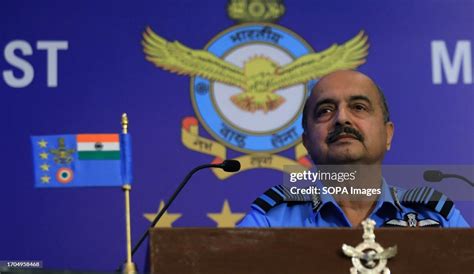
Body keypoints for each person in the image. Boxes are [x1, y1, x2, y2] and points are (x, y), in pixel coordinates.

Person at [238, 70, 469, 228]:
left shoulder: (437, 216)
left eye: (359, 107)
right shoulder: (271, 220)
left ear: (387, 134)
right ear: (306, 143)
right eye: (325, 111)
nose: (341, 118)